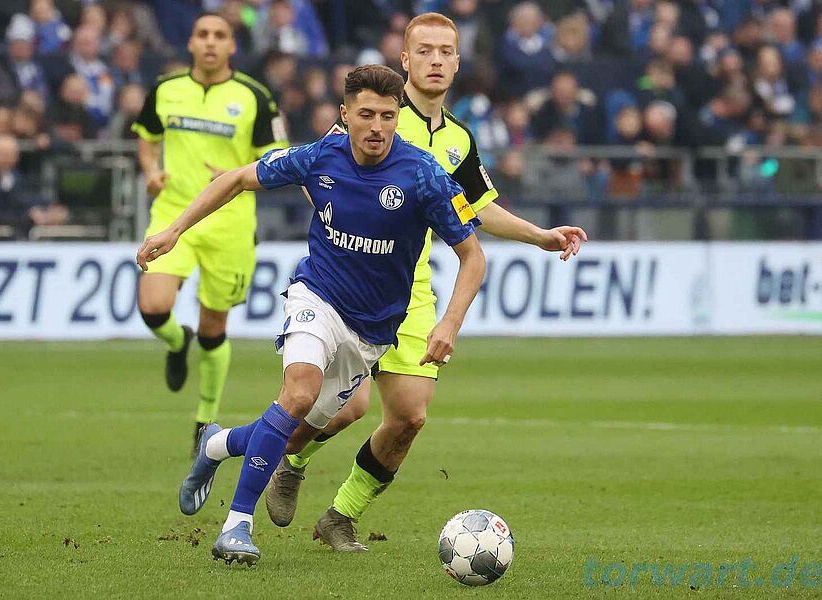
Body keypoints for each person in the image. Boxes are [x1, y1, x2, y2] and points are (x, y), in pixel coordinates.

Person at [136, 64, 486, 565]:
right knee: (298, 393)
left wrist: (449, 323)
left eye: (388, 116)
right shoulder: (321, 156)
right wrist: (174, 230)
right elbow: (237, 178)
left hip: (371, 332)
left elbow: (472, 256)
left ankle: (218, 444)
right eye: (366, 115)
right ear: (345, 114)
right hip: (316, 297)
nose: (377, 127)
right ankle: (237, 526)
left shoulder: (423, 175)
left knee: (298, 430)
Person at [266, 12, 588, 552]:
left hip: (411, 292)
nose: (435, 60)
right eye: (425, 51)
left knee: (409, 417)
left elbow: (477, 208)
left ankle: (341, 515)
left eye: (445, 51)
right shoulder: (376, 116)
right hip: (348, 282)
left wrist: (539, 236)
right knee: (347, 408)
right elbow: (316, 173)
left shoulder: (458, 138)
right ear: (405, 60)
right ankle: (291, 463)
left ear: (457, 62)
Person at [132, 13, 287, 453]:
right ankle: (177, 341)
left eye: (220, 35)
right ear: (191, 43)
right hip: (172, 215)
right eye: (203, 34)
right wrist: (151, 171)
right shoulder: (165, 89)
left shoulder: (255, 96)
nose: (211, 42)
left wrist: (239, 175)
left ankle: (204, 420)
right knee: (153, 306)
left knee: (214, 325)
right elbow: (147, 139)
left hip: (230, 223)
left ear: (232, 46)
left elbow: (277, 156)